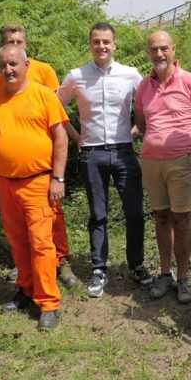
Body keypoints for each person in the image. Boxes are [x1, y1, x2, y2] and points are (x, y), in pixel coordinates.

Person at [56, 22, 152, 298]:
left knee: (134, 212)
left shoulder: (130, 74)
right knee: (98, 214)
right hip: (92, 153)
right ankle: (99, 268)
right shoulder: (76, 76)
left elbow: (145, 104)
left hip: (124, 150)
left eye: (106, 42)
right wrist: (76, 137)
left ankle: (136, 265)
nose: (101, 47)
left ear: (115, 44)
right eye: (96, 42)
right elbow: (56, 108)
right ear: (90, 44)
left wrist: (135, 131)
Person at [0, 44, 69, 330]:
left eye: (14, 64)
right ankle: (26, 291)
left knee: (42, 243)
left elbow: (61, 139)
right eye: (3, 65)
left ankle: (49, 303)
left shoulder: (44, 96)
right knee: (17, 241)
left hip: (39, 182)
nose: (8, 69)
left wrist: (58, 178)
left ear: (27, 64)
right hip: (5, 184)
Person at [0, 23, 79, 289]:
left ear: (26, 46)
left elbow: (56, 117)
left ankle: (60, 262)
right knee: (21, 231)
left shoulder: (43, 72)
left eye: (18, 41)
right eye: (9, 41)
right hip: (10, 177)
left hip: (42, 167)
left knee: (53, 220)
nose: (14, 45)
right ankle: (28, 276)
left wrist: (58, 171)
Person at [134, 30, 191, 303]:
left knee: (181, 218)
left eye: (164, 48)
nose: (159, 54)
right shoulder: (143, 86)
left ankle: (184, 277)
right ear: (149, 52)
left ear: (174, 49)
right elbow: (140, 123)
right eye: (153, 49)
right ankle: (165, 274)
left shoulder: (189, 82)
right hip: (151, 161)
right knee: (161, 217)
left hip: (181, 159)